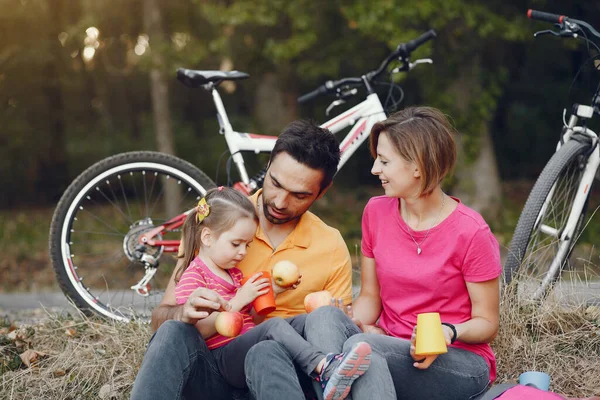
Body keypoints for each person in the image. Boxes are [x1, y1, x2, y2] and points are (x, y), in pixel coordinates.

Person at [131, 120, 395, 400]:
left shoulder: (330, 246)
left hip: (281, 376)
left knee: (274, 346)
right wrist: (182, 313)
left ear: (323, 191)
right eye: (276, 183)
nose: (280, 202)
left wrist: (352, 322)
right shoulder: (219, 223)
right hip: (211, 372)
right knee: (174, 328)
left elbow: (331, 329)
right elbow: (162, 321)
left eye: (299, 194)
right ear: (267, 167)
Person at [305, 106, 502, 400]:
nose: (375, 170)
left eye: (384, 161)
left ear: (418, 167)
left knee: (364, 350)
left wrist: (448, 331)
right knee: (323, 319)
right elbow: (371, 298)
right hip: (384, 346)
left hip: (456, 360)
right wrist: (350, 319)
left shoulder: (471, 232)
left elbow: (487, 323)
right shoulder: (376, 212)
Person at [172, 186, 372, 400]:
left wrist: (273, 292)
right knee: (274, 325)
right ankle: (323, 367)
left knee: (305, 320)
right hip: (221, 360)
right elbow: (194, 331)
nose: (242, 252)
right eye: (236, 244)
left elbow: (253, 321)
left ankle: (340, 353)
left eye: (247, 245)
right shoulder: (193, 275)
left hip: (247, 347)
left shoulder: (235, 275)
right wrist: (238, 301)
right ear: (207, 237)